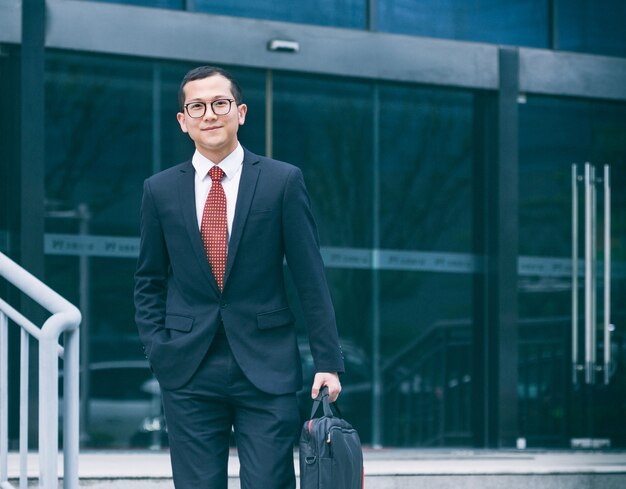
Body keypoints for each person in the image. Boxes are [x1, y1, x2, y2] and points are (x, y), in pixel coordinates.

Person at [134, 65, 344, 489]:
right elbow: (149, 280)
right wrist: (158, 348)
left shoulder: (282, 181)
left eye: (220, 103)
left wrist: (328, 361)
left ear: (241, 112)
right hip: (188, 367)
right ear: (183, 121)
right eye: (197, 106)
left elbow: (310, 278)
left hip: (267, 365)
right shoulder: (159, 190)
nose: (209, 114)